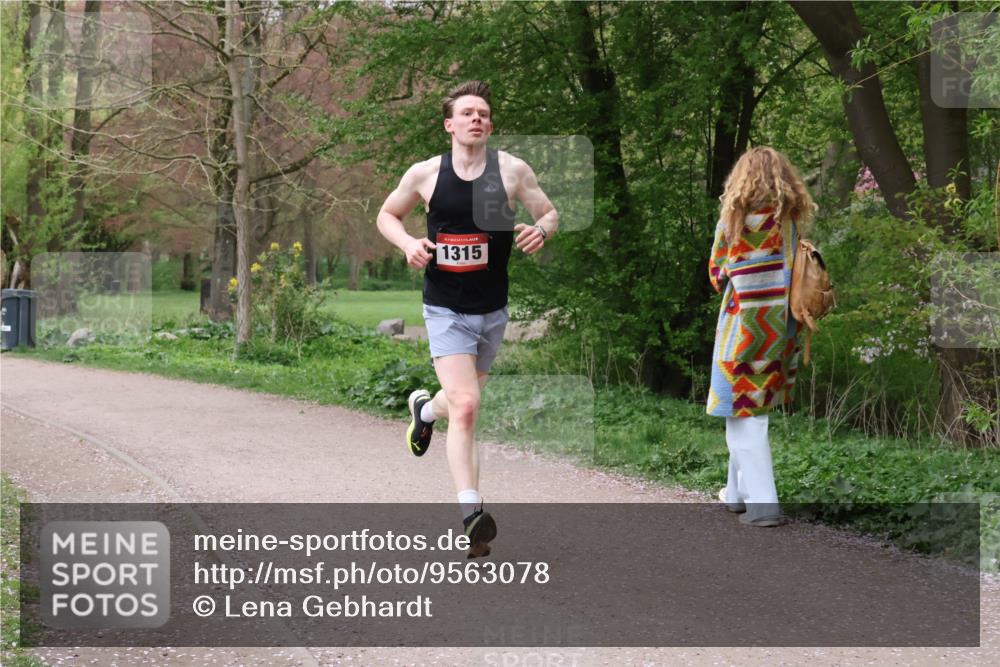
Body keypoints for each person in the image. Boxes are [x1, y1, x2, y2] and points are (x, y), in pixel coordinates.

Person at [376, 81, 558, 557]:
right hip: (445, 307)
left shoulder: (514, 171)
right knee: (469, 406)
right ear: (450, 124)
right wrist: (408, 243)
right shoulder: (426, 174)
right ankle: (472, 515)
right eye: (467, 112)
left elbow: (550, 213)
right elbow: (387, 215)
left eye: (483, 113)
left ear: (490, 124)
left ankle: (423, 411)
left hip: (492, 309)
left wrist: (540, 230)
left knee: (458, 403)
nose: (476, 118)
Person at [706, 146, 815, 526]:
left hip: (742, 332)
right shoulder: (790, 224)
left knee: (744, 418)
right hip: (780, 330)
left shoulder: (733, 224)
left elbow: (717, 277)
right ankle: (736, 494)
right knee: (747, 410)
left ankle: (764, 506)